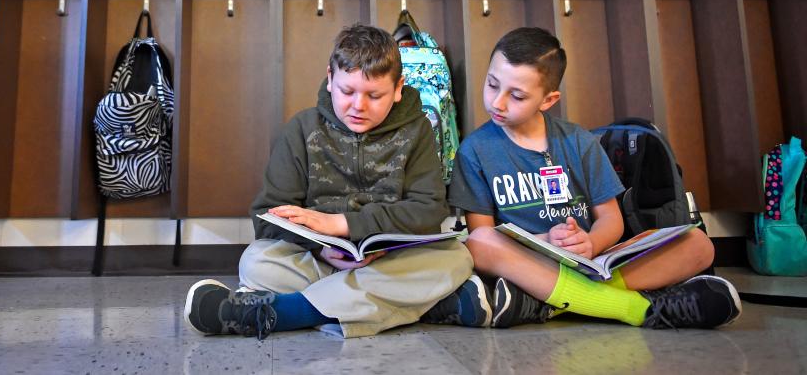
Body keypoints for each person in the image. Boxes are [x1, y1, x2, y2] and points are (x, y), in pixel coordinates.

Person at [185, 24, 487, 339]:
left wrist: (342, 224)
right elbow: (268, 216)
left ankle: (281, 312)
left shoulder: (417, 131)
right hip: (322, 262)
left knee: (456, 258)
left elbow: (428, 210)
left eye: (375, 95)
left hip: (391, 261)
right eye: (347, 91)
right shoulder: (301, 129)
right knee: (256, 260)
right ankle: (423, 305)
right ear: (330, 79)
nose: (359, 105)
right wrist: (320, 247)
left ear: (399, 88)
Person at [448, 27, 742, 329]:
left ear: (548, 100)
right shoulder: (474, 151)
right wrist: (546, 240)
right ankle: (631, 307)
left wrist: (589, 242)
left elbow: (611, 221)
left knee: (698, 244)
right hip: (527, 265)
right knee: (479, 243)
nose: (497, 102)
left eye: (517, 95)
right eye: (492, 84)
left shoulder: (578, 141)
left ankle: (546, 305)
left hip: (591, 263)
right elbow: (481, 236)